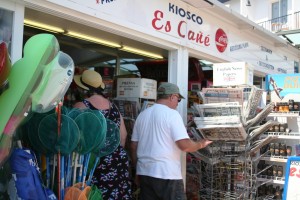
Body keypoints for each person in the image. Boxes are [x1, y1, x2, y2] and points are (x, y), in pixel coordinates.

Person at [130, 82, 213, 200]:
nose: (177, 104)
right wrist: (201, 143)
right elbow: (185, 145)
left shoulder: (142, 115)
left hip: (145, 173)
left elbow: (133, 146)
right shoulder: (172, 115)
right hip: (167, 174)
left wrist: (137, 169)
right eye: (178, 100)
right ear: (172, 97)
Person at [73, 69, 132, 200]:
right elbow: (123, 135)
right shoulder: (113, 106)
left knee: (95, 194)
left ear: (83, 89)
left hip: (95, 160)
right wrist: (112, 152)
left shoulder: (81, 106)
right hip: (117, 159)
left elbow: (73, 136)